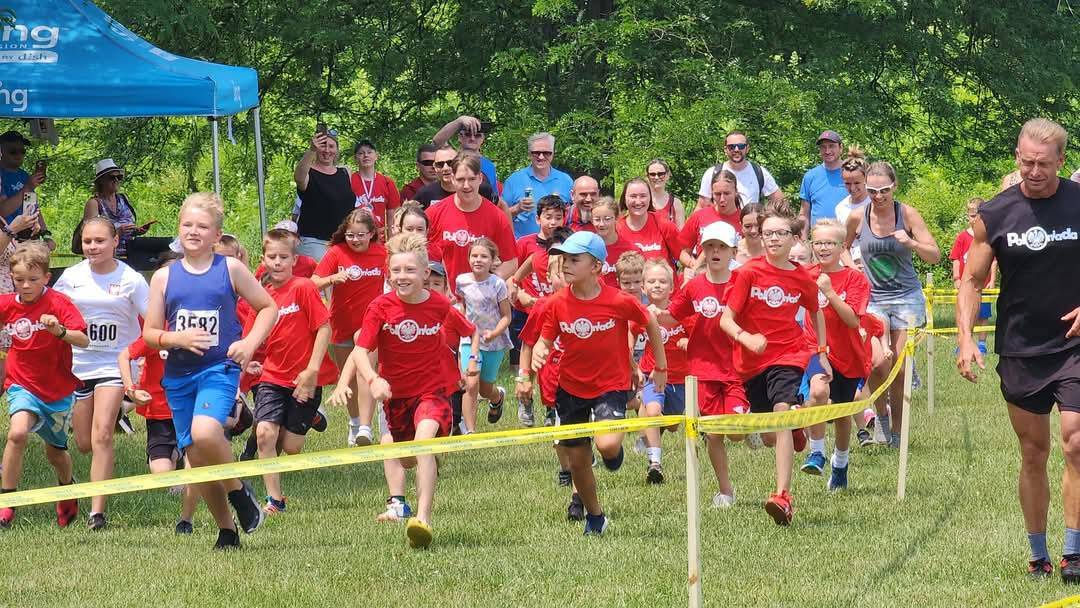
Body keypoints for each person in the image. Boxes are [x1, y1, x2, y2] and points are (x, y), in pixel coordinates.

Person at [956, 118, 1080, 582]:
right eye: (1026, 162)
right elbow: (971, 281)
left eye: (1043, 164)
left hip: (1073, 345)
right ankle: (1037, 553)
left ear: (1061, 161)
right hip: (1022, 347)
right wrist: (965, 338)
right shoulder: (995, 214)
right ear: (1017, 158)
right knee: (1033, 451)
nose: (1033, 171)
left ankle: (1073, 552)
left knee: (1076, 440)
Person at [142, 192, 277, 549]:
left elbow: (268, 307)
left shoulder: (229, 269)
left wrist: (249, 343)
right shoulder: (164, 277)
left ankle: (238, 490)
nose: (193, 231)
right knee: (198, 458)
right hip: (179, 378)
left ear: (217, 235)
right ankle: (227, 530)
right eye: (187, 224)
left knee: (205, 432)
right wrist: (176, 337)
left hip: (219, 368)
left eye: (202, 226)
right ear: (178, 229)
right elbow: (150, 334)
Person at [337, 233, 478, 549]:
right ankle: (424, 463)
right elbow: (360, 351)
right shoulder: (380, 307)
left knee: (422, 442)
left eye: (410, 270)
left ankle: (422, 519)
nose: (402, 276)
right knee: (408, 458)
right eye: (396, 270)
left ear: (425, 273)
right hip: (396, 398)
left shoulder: (440, 305)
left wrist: (472, 361)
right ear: (388, 273)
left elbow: (470, 331)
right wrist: (373, 379)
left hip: (432, 392)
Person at [531, 230, 668, 535]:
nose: (566, 265)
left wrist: (660, 366)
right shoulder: (556, 303)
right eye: (564, 259)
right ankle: (595, 517)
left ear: (596, 267)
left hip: (611, 384)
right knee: (578, 461)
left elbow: (650, 322)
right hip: (570, 388)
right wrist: (540, 350)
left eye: (574, 259)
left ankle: (612, 453)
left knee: (606, 445)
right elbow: (545, 339)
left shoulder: (618, 300)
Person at [720, 206, 828, 526]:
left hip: (789, 355)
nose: (773, 239)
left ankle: (782, 496)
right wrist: (747, 338)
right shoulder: (748, 273)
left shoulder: (801, 276)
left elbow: (815, 311)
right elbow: (726, 319)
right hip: (751, 361)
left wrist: (821, 351)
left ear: (794, 238)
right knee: (769, 434)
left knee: (781, 411)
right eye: (767, 233)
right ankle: (794, 427)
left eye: (780, 233)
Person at [53, 217, 149, 531]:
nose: (93, 247)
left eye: (99, 241)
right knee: (84, 443)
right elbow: (53, 309)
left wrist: (148, 355)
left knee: (102, 435)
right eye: (87, 241)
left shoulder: (131, 279)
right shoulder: (71, 277)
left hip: (115, 363)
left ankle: (97, 513)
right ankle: (82, 477)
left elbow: (152, 320)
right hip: (80, 364)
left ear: (115, 241)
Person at [844, 161, 940, 448]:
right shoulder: (857, 217)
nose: (878, 196)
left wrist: (911, 243)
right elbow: (842, 248)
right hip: (873, 298)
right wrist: (853, 269)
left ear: (894, 186)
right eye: (872, 191)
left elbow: (934, 255)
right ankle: (882, 419)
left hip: (906, 297)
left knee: (898, 370)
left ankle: (897, 432)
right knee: (876, 363)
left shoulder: (907, 214)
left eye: (884, 190)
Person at [653, 221, 746, 507]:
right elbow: (672, 317)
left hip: (738, 368)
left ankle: (748, 426)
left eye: (722, 247)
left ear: (733, 251)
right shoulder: (694, 287)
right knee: (714, 434)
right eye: (710, 246)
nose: (715, 252)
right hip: (703, 370)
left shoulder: (743, 282)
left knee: (736, 432)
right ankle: (726, 491)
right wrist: (651, 313)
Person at [0, 242, 89, 529]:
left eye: (33, 279)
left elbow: (83, 339)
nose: (25, 285)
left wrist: (59, 331)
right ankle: (7, 502)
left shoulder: (59, 303)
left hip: (56, 391)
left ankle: (67, 489)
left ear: (46, 278)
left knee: (56, 453)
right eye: (19, 279)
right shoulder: (7, 304)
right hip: (21, 383)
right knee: (17, 434)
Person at [250, 229, 332, 515]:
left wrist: (312, 370)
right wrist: (248, 359)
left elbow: (324, 328)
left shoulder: (303, 288)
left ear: (294, 260)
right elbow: (252, 336)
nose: (277, 262)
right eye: (272, 257)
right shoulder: (261, 296)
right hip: (272, 377)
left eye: (283, 257)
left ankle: (312, 415)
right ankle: (275, 500)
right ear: (263, 259)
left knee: (292, 446)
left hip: (304, 379)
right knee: (265, 434)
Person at [799, 219, 872, 491]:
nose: (823, 248)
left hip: (848, 355)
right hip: (814, 348)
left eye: (829, 243)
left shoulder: (855, 279)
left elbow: (853, 320)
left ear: (842, 247)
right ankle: (816, 452)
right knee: (818, 391)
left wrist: (829, 292)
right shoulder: (806, 274)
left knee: (842, 414)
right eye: (818, 242)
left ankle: (840, 464)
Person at [311, 209, 386, 447]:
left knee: (366, 373)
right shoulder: (337, 252)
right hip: (342, 324)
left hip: (370, 326)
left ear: (371, 234)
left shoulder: (382, 253)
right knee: (349, 378)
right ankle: (354, 424)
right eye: (351, 235)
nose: (355, 240)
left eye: (361, 235)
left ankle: (367, 427)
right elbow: (313, 283)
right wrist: (332, 279)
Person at [427, 152, 518, 286]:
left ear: (480, 178)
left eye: (471, 179)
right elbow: (415, 253)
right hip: (443, 295)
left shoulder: (496, 216)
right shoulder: (434, 213)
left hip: (480, 296)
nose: (466, 185)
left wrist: (489, 283)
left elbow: (511, 262)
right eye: (460, 179)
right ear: (452, 179)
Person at [636, 258, 689, 484]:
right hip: (652, 373)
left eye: (662, 281)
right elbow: (628, 333)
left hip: (680, 378)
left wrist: (688, 341)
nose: (657, 285)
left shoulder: (681, 312)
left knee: (673, 424)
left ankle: (649, 423)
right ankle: (654, 463)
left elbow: (697, 335)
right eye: (651, 281)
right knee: (654, 411)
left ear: (672, 286)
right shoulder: (641, 312)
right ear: (643, 287)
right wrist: (634, 366)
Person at [456, 238, 512, 431]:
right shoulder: (462, 281)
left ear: (493, 260)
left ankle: (497, 397)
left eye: (483, 256)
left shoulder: (498, 284)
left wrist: (494, 333)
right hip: (469, 339)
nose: (478, 260)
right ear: (468, 258)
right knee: (470, 384)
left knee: (485, 389)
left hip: (494, 342)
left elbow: (506, 316)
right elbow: (464, 306)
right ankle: (470, 432)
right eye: (474, 256)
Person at [81, 159, 171, 269]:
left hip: (132, 249)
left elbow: (128, 227)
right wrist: (117, 232)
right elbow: (91, 235)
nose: (116, 180)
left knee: (168, 246)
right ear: (101, 181)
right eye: (112, 177)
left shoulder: (123, 199)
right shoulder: (94, 203)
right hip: (110, 254)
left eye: (119, 177)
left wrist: (136, 231)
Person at [293, 126, 355, 261]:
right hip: (315, 242)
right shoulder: (309, 172)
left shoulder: (345, 172)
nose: (327, 150)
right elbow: (298, 177)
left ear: (337, 150)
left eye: (331, 146)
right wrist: (311, 150)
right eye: (323, 146)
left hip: (344, 242)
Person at [503, 133, 574, 239]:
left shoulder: (566, 181)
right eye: (536, 153)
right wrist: (517, 208)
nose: (541, 157)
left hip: (557, 244)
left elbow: (573, 215)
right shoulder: (513, 180)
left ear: (553, 153)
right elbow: (499, 216)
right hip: (523, 246)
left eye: (546, 153)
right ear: (529, 154)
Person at [949, 197, 996, 353]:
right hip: (966, 284)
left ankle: (982, 344)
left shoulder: (988, 237)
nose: (974, 219)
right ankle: (963, 342)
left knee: (983, 314)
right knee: (964, 313)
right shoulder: (962, 237)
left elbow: (994, 261)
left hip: (983, 284)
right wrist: (956, 278)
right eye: (971, 215)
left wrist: (992, 280)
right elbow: (956, 258)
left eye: (977, 215)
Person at [680, 169, 743, 280]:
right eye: (717, 194)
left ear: (736, 192)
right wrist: (693, 265)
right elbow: (683, 252)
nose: (722, 199)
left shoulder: (745, 220)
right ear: (712, 193)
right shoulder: (699, 216)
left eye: (727, 193)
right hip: (703, 276)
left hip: (734, 278)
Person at [696, 130, 784, 208]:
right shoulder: (713, 173)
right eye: (731, 147)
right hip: (722, 221)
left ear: (747, 148)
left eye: (741, 146)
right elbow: (701, 206)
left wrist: (766, 216)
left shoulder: (759, 172)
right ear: (725, 150)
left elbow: (780, 202)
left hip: (750, 221)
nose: (736, 149)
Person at [617, 178, 681, 270]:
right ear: (624, 199)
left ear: (650, 198)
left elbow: (684, 255)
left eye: (643, 196)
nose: (638, 201)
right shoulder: (616, 228)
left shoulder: (663, 225)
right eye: (633, 196)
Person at [414, 145, 502, 210]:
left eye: (450, 162)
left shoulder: (481, 188)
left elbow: (501, 208)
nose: (445, 168)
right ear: (435, 167)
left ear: (459, 162)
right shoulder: (425, 194)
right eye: (440, 164)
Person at [798, 130, 848, 237]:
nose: (827, 151)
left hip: (849, 239)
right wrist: (803, 241)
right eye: (823, 147)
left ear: (841, 148)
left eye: (831, 146)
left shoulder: (851, 173)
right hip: (819, 240)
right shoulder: (810, 176)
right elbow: (804, 214)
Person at [432, 115, 499, 190]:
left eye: (477, 135)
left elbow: (493, 194)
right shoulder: (451, 159)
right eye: (468, 134)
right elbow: (437, 141)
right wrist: (459, 121)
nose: (472, 138)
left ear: (482, 138)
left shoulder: (489, 166)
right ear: (460, 137)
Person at [350, 139, 400, 230]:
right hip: (355, 235)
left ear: (376, 156)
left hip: (379, 235)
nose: (366, 155)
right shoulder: (349, 181)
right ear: (355, 158)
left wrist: (392, 238)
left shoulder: (387, 182)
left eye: (369, 152)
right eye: (361, 153)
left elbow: (392, 217)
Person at [590, 197, 637, 287]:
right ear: (591, 220)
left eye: (607, 219)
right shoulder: (587, 248)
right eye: (597, 219)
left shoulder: (630, 249)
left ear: (616, 218)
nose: (602, 224)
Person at [834, 146, 871, 225]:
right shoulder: (840, 208)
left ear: (866, 179)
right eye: (847, 183)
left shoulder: (876, 204)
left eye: (857, 183)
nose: (852, 188)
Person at [646, 159, 686, 228]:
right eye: (652, 174)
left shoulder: (675, 203)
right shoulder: (641, 201)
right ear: (647, 177)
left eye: (660, 174)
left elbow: (681, 232)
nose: (656, 177)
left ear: (668, 175)